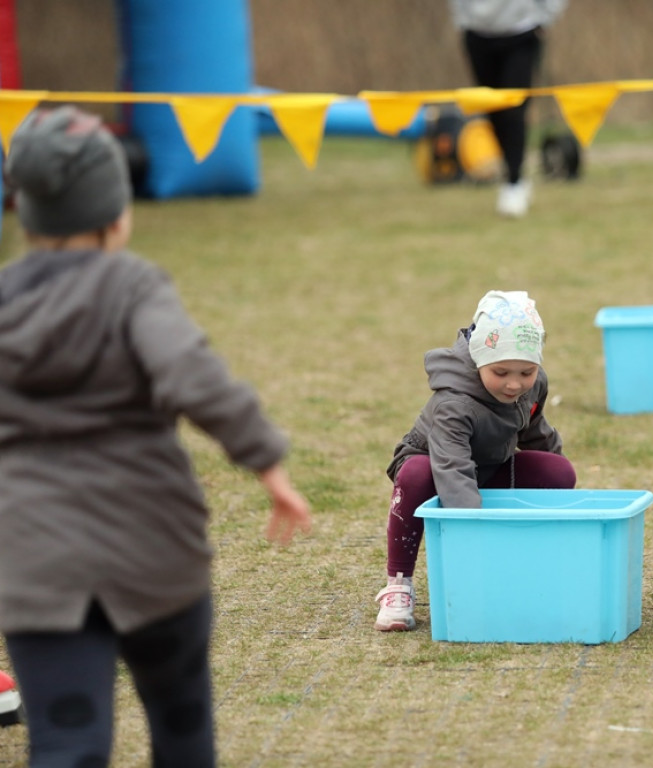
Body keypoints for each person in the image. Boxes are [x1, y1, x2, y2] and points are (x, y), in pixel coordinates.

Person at [0, 106, 312, 765]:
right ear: (117, 214)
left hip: (35, 566)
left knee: (65, 744)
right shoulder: (133, 287)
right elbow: (193, 374)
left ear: (26, 215)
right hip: (153, 552)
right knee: (181, 725)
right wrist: (266, 462)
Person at [375, 290, 576, 631]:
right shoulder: (454, 403)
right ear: (479, 359)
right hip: (435, 467)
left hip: (488, 467)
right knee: (416, 474)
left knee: (557, 472)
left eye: (526, 372)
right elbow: (452, 467)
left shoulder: (534, 384)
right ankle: (398, 585)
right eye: (501, 371)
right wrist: (474, 534)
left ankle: (524, 567)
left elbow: (535, 431)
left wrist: (571, 506)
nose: (514, 384)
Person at [448, 0, 568, 219]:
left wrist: (545, 17)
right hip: (477, 33)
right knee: (492, 112)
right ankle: (510, 170)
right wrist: (463, 20)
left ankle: (515, 181)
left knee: (514, 111)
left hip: (521, 31)